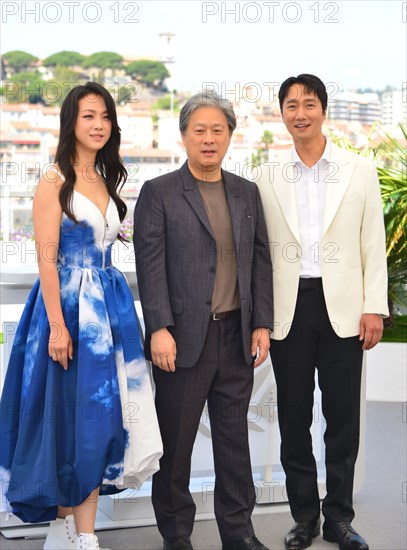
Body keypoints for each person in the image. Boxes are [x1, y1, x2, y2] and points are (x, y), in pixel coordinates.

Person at [0, 82, 163, 550]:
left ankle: (70, 531)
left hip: (109, 311)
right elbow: (47, 259)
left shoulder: (105, 178)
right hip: (67, 311)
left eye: (105, 117)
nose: (98, 125)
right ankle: (80, 534)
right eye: (89, 115)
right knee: (71, 421)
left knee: (100, 419)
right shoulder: (54, 180)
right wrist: (56, 325)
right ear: (71, 120)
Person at [133, 91, 274, 550]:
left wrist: (261, 323)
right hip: (181, 339)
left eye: (218, 130)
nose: (209, 139)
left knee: (234, 443)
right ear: (184, 136)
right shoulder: (159, 193)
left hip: (235, 336)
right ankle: (176, 535)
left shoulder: (246, 192)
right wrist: (159, 328)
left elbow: (260, 261)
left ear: (230, 136)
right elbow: (149, 265)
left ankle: (240, 532)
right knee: (175, 447)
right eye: (200, 130)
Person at [257, 74, 388, 550]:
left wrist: (375, 307)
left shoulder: (359, 171)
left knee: (341, 419)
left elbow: (374, 245)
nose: (300, 113)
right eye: (291, 105)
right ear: (283, 113)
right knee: (293, 420)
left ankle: (339, 518)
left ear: (323, 109)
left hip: (345, 312)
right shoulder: (267, 177)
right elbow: (259, 254)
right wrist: (261, 318)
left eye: (308, 103)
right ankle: (303, 518)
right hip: (289, 310)